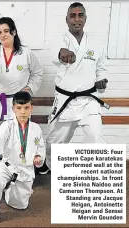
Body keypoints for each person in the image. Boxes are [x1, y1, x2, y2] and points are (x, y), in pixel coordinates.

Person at [38, 2, 109, 174]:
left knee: (95, 136)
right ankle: (47, 163)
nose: (76, 19)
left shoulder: (96, 42)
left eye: (80, 15)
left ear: (85, 18)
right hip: (66, 101)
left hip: (88, 101)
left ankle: (92, 174)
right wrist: (62, 52)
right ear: (67, 19)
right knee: (56, 140)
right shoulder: (59, 39)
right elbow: (56, 52)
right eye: (73, 15)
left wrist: (101, 80)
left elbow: (101, 67)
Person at [0, 17, 43, 170]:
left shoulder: (26, 52)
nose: (3, 35)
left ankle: (18, 164)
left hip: (17, 103)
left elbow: (38, 73)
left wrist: (29, 88)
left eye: (6, 31)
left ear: (13, 32)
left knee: (18, 135)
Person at [0, 91, 46, 224]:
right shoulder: (7, 125)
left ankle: (13, 190)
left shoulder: (36, 129)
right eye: (19, 108)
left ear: (31, 108)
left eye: (26, 108)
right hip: (8, 165)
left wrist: (38, 157)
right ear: (13, 109)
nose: (22, 112)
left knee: (19, 205)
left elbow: (41, 147)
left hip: (25, 169)